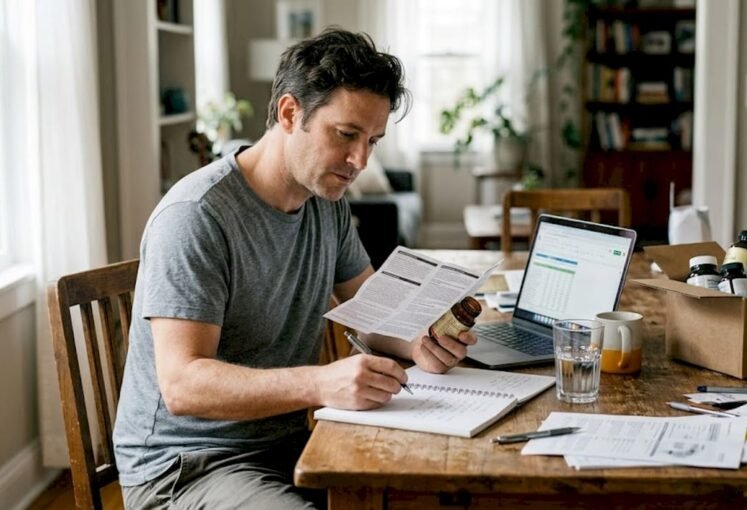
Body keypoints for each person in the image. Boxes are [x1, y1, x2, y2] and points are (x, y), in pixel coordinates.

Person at [114, 28, 477, 509]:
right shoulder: (196, 216)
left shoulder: (326, 203)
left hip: (286, 444)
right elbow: (182, 384)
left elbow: (371, 309)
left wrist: (422, 342)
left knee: (439, 486)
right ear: (290, 113)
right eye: (346, 135)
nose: (359, 161)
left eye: (373, 141)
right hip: (187, 466)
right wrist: (320, 382)